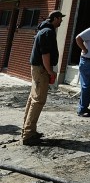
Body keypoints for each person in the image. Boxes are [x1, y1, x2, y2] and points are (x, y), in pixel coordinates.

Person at [22, 9, 64, 145]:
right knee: (38, 100)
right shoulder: (48, 32)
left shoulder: (43, 30)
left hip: (37, 68)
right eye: (60, 18)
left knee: (33, 98)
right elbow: (45, 54)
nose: (62, 21)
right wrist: (50, 71)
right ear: (56, 18)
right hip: (41, 69)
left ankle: (28, 130)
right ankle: (28, 135)